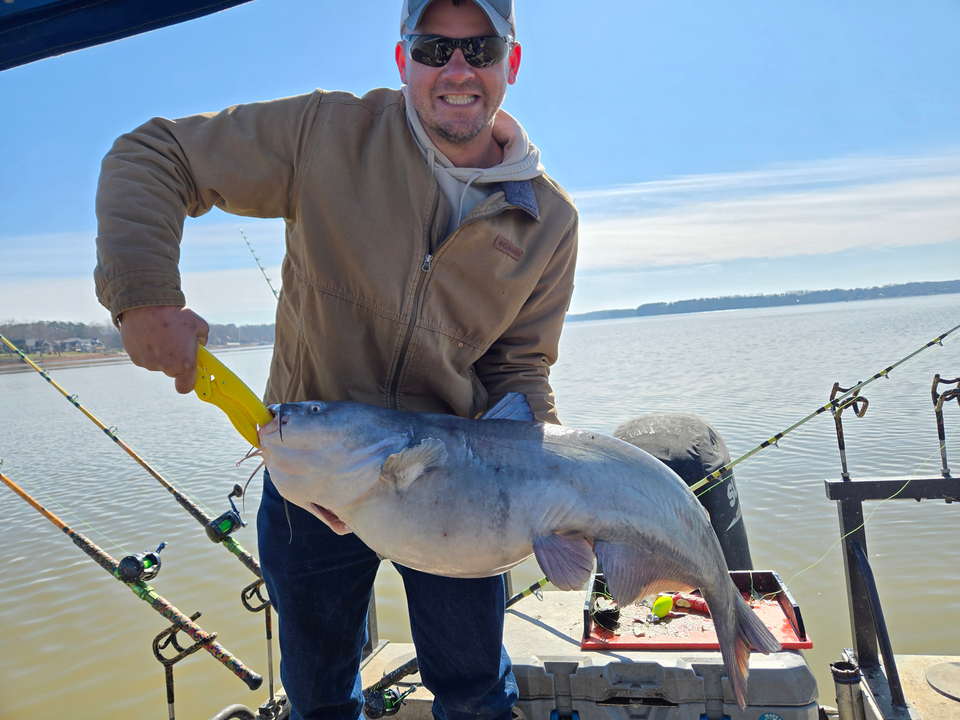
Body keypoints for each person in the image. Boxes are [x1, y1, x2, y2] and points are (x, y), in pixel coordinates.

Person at [94, 1, 578, 718]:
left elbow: (518, 371)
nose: (455, 69)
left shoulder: (548, 219)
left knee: (474, 690)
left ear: (510, 63)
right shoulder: (326, 134)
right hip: (308, 477)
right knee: (320, 697)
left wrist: (547, 482)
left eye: (479, 49)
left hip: (456, 489)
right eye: (433, 45)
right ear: (401, 57)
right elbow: (156, 153)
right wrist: (143, 295)